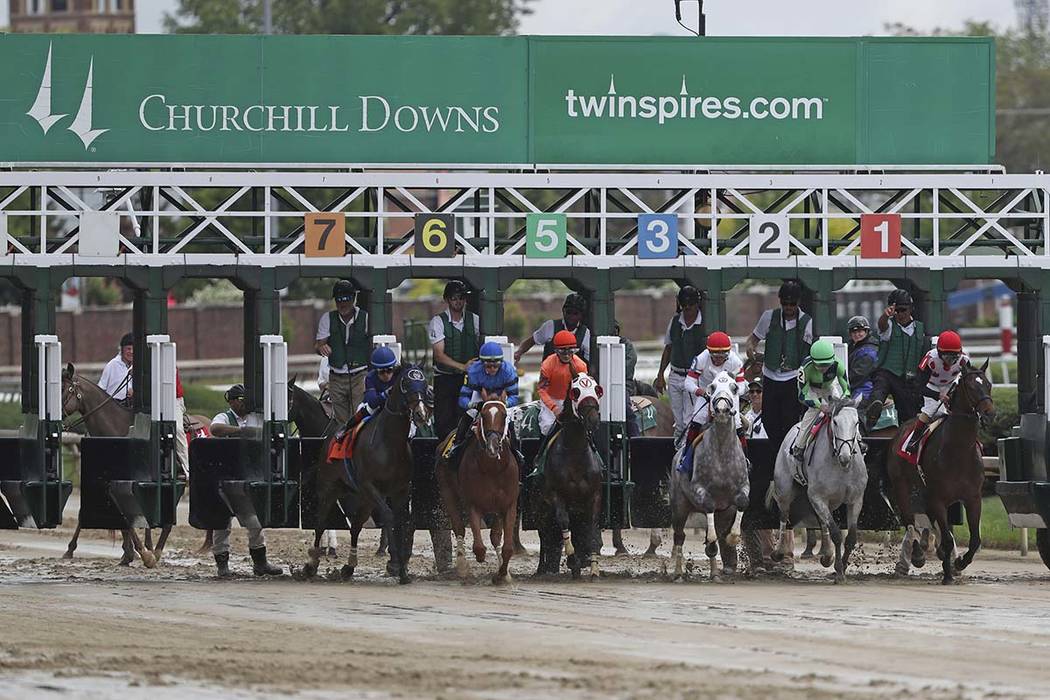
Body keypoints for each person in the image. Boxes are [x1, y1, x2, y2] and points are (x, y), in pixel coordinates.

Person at [208, 383, 282, 578]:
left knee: (255, 520)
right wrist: (240, 431)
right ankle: (222, 566)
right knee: (222, 523)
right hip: (226, 476)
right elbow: (215, 429)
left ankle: (260, 563)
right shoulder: (224, 416)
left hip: (248, 475)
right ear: (232, 402)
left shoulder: (254, 417)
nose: (244, 404)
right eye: (240, 400)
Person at [745, 280, 813, 449]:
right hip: (770, 375)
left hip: (793, 376)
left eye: (792, 303)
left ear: (798, 302)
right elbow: (753, 339)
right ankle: (779, 450)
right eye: (785, 303)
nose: (788, 307)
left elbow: (811, 351)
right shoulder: (769, 316)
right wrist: (750, 350)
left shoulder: (807, 322)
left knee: (789, 420)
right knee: (768, 419)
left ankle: (786, 452)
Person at [445, 341, 521, 469]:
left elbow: (514, 397)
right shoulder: (473, 371)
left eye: (495, 365)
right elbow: (463, 399)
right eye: (488, 366)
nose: (492, 369)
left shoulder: (509, 371)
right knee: (469, 415)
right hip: (480, 394)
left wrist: (504, 403)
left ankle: (517, 452)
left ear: (501, 363)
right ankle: (456, 445)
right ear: (482, 363)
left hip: (500, 397)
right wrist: (474, 405)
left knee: (511, 421)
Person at [677, 331, 745, 471]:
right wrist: (702, 392)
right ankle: (686, 457)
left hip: (728, 397)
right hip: (707, 394)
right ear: (709, 352)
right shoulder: (701, 359)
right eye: (715, 355)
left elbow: (743, 386)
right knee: (696, 421)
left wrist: (730, 393)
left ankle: (745, 460)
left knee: (737, 424)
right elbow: (688, 383)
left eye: (723, 355)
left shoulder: (736, 361)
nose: (719, 359)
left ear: (729, 352)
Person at [864, 289, 928, 428]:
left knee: (909, 411)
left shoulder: (920, 328)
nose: (900, 314)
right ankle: (873, 412)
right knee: (880, 385)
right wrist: (885, 316)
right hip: (888, 372)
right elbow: (882, 325)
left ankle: (905, 431)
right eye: (897, 311)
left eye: (903, 310)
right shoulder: (890, 325)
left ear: (911, 309)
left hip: (908, 378)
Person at [428, 280, 481, 440]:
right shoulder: (438, 321)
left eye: (461, 297)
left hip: (468, 380)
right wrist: (462, 366)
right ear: (447, 299)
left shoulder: (476, 320)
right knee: (444, 420)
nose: (458, 301)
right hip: (445, 379)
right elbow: (439, 355)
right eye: (454, 298)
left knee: (468, 417)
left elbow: (483, 346)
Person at [904, 330, 970, 455]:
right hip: (932, 385)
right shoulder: (930, 360)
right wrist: (937, 396)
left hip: (951, 384)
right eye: (947, 357)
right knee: (931, 410)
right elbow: (918, 386)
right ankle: (914, 440)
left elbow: (967, 380)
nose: (951, 361)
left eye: (954, 357)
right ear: (939, 353)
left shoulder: (964, 360)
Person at [315, 279, 371, 426]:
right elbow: (319, 345)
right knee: (341, 421)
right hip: (336, 377)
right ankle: (343, 447)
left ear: (353, 298)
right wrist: (322, 348)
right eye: (339, 299)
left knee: (358, 415)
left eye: (346, 299)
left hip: (359, 375)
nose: (342, 303)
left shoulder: (365, 318)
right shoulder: (327, 318)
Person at [653, 286, 705, 441]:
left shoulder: (704, 324)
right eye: (684, 306)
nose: (687, 309)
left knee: (690, 420)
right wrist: (660, 374)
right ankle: (678, 455)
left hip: (693, 377)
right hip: (675, 375)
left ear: (697, 305)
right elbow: (668, 348)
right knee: (679, 422)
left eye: (690, 306)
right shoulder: (675, 321)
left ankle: (687, 454)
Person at [790, 339, 850, 470]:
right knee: (812, 413)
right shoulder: (804, 368)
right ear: (812, 361)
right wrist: (819, 405)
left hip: (829, 386)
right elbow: (802, 396)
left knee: (845, 412)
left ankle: (858, 440)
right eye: (819, 365)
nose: (823, 368)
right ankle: (799, 446)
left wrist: (841, 402)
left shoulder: (839, 364)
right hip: (811, 389)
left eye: (826, 365)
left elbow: (847, 390)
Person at [535, 330, 589, 457]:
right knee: (547, 427)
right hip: (552, 400)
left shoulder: (580, 365)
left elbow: (583, 389)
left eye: (570, 350)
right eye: (562, 351)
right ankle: (541, 457)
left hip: (572, 400)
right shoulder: (548, 364)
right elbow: (542, 390)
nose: (566, 354)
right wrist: (554, 408)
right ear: (556, 351)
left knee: (586, 425)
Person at [514, 292, 591, 364]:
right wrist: (519, 352)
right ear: (563, 311)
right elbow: (532, 341)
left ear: (581, 315)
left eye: (575, 313)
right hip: (549, 375)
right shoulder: (550, 326)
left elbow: (588, 360)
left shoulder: (585, 333)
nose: (571, 316)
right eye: (568, 312)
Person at [613, 319, 642, 437]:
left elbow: (627, 367)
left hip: (622, 384)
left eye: (615, 331)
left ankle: (636, 439)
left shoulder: (626, 345)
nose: (613, 334)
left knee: (625, 408)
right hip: (600, 386)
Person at [846, 315, 879, 403]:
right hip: (853, 385)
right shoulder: (852, 346)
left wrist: (842, 384)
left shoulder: (868, 352)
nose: (857, 334)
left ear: (866, 331)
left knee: (852, 408)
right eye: (854, 332)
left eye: (860, 331)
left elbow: (858, 375)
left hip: (865, 387)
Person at [99, 332, 134, 405]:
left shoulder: (139, 366)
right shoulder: (112, 365)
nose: (131, 352)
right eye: (128, 349)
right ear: (121, 349)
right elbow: (100, 389)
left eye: (134, 349)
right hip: (113, 407)